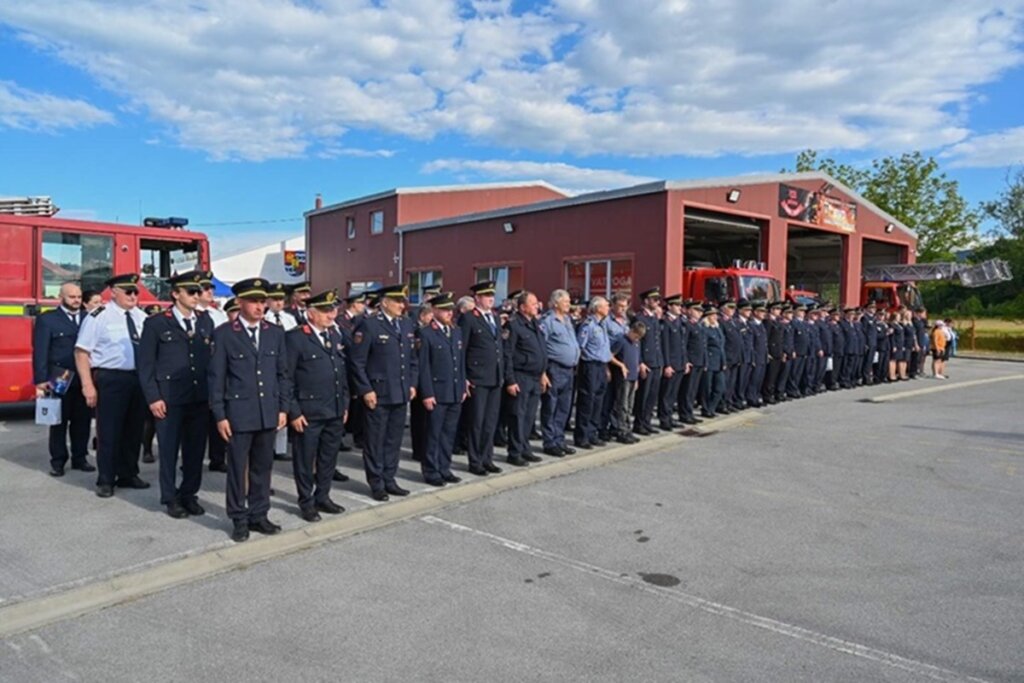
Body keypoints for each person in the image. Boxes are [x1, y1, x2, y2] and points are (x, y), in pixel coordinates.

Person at [209, 278, 288, 542]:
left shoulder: (274, 333)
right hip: (239, 414)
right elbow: (216, 378)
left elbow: (282, 374)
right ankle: (238, 517)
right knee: (237, 469)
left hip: (268, 411)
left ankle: (259, 514)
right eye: (254, 301)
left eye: (262, 301)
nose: (259, 306)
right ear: (240, 302)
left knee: (263, 467)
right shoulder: (224, 334)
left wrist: (283, 408)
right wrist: (220, 415)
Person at [137, 271, 213, 519]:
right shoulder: (157, 323)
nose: (196, 296)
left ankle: (189, 493)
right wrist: (153, 397)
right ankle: (170, 497)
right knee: (169, 450)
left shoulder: (205, 321)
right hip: (169, 398)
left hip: (198, 397)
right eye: (191, 292)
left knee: (194, 451)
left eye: (198, 291)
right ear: (176, 294)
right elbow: (146, 364)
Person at [74, 273, 149, 498]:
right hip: (111, 378)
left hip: (137, 379)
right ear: (113, 292)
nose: (133, 295)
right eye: (128, 291)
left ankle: (128, 473)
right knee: (109, 431)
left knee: (134, 429)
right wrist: (87, 385)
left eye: (136, 291)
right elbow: (81, 352)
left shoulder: (142, 317)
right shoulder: (99, 316)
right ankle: (106, 478)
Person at [348, 283, 418, 500]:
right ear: (385, 302)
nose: (401, 305)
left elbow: (413, 360)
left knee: (393, 440)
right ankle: (376, 482)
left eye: (402, 301)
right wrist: (365, 389)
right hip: (377, 393)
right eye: (397, 301)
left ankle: (390, 478)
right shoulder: (369, 325)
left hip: (400, 391)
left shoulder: (406, 325)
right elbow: (357, 362)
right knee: (375, 440)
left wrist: (412, 384)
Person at [285, 289, 349, 522]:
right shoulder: (296, 338)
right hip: (308, 411)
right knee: (304, 459)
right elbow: (287, 377)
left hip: (333, 408)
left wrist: (344, 405)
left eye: (333, 309)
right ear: (311, 313)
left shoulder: (334, 336)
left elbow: (340, 374)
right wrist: (294, 411)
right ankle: (306, 501)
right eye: (326, 310)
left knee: (328, 457)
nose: (332, 314)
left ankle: (323, 495)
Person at [33, 281, 94, 477]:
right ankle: (58, 461)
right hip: (60, 376)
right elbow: (40, 351)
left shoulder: (89, 318)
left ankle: (80, 457)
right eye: (72, 297)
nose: (76, 300)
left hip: (84, 376)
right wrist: (41, 380)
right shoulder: (48, 320)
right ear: (61, 297)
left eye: (78, 297)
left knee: (82, 420)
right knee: (59, 421)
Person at [416, 292, 467, 486]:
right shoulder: (426, 333)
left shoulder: (456, 331)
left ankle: (444, 468)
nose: (449, 313)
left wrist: (462, 385)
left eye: (450, 310)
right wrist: (427, 393)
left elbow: (460, 363)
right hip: (437, 392)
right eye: (445, 310)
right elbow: (424, 367)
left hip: (454, 391)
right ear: (435, 310)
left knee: (448, 433)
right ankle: (431, 470)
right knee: (433, 434)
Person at [458, 280, 505, 476]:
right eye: (487, 296)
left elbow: (498, 347)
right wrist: (465, 377)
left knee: (490, 421)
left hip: (494, 376)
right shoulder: (469, 318)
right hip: (477, 377)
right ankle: (475, 460)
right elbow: (462, 350)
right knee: (477, 422)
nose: (491, 299)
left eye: (492, 295)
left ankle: (487, 458)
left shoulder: (493, 318)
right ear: (477, 298)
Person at [502, 291, 549, 466]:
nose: (537, 306)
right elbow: (507, 355)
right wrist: (510, 380)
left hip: (535, 377)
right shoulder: (513, 325)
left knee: (529, 416)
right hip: (520, 376)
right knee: (517, 416)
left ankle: (525, 448)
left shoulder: (535, 323)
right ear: (522, 307)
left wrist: (543, 373)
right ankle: (514, 452)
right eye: (534, 303)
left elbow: (541, 351)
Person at [538, 289, 580, 457]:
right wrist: (543, 372)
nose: (569, 304)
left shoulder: (568, 320)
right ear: (556, 303)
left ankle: (559, 439)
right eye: (566, 301)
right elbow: (542, 347)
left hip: (569, 370)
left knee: (564, 407)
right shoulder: (548, 321)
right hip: (554, 368)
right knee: (551, 406)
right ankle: (550, 442)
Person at [574, 296, 620, 449]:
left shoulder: (602, 325)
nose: (608, 308)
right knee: (587, 401)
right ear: (597, 308)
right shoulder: (588, 325)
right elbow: (580, 348)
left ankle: (592, 433)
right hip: (590, 366)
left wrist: (606, 368)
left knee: (598, 402)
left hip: (601, 366)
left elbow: (604, 350)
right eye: (606, 305)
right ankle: (582, 436)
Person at [599, 292, 631, 440]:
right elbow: (604, 345)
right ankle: (602, 428)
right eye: (620, 306)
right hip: (611, 363)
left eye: (625, 306)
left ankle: (615, 427)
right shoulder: (606, 322)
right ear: (613, 306)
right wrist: (606, 367)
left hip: (623, 365)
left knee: (620, 399)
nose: (623, 309)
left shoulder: (626, 321)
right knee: (608, 399)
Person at [632, 287, 663, 434]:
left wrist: (660, 361)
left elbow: (658, 342)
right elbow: (637, 342)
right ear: (646, 301)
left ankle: (647, 421)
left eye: (658, 299)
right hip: (646, 362)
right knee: (643, 395)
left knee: (652, 395)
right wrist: (640, 362)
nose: (657, 302)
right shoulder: (639, 318)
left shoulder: (654, 319)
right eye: (654, 299)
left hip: (656, 361)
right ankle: (639, 423)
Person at [610, 321, 645, 443]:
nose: (636, 339)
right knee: (622, 405)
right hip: (623, 377)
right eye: (635, 336)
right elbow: (610, 356)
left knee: (630, 405)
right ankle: (621, 430)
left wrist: (636, 378)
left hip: (632, 377)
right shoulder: (621, 341)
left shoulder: (636, 343)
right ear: (631, 331)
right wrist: (621, 365)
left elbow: (636, 360)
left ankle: (627, 429)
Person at [409, 302, 435, 463]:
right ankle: (418, 449)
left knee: (426, 419)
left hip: (426, 378)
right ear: (422, 316)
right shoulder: (419, 332)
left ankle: (422, 447)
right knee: (419, 418)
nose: (431, 318)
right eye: (429, 315)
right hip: (418, 379)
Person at [678, 299, 706, 423]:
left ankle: (689, 413)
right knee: (687, 390)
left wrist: (704, 361)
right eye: (697, 310)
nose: (700, 313)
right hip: (692, 361)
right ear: (689, 311)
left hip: (699, 361)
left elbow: (703, 345)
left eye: (701, 311)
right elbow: (684, 345)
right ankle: (684, 414)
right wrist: (686, 361)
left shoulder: (698, 325)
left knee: (693, 389)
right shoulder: (687, 325)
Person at [700, 305, 727, 417]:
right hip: (710, 361)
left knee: (720, 387)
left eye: (716, 315)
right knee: (707, 388)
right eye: (713, 315)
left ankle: (711, 407)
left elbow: (721, 347)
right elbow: (704, 347)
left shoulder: (717, 328)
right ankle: (706, 409)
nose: (716, 317)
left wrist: (724, 361)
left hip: (719, 362)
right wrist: (705, 362)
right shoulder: (705, 329)